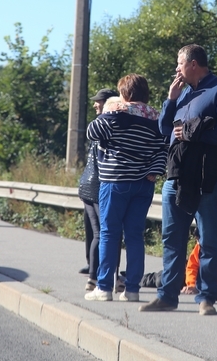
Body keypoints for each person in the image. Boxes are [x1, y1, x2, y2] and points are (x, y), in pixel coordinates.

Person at [139, 43, 217, 316]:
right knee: (171, 237)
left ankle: (206, 297)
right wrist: (171, 100)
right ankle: (167, 296)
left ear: (193, 64)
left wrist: (196, 134)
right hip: (177, 173)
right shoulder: (182, 93)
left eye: (179, 63)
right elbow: (163, 129)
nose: (176, 68)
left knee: (208, 238)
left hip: (207, 173)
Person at [84, 75, 167, 302]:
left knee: (109, 234)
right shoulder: (156, 119)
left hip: (115, 181)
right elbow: (164, 148)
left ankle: (103, 288)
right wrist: (155, 170)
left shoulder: (114, 115)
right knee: (135, 236)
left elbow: (92, 132)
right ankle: (132, 290)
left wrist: (109, 107)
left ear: (124, 93)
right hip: (143, 183)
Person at [78, 88, 118, 288]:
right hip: (98, 185)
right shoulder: (107, 125)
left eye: (99, 101)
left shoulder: (100, 126)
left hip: (87, 185)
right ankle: (101, 276)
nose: (95, 104)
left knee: (97, 233)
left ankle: (94, 273)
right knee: (106, 233)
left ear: (109, 102)